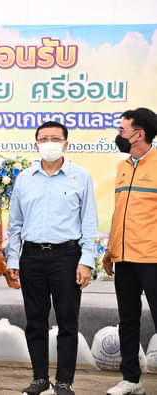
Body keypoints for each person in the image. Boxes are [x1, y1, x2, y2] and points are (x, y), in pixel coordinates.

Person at [6, 121, 98, 395]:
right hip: (32, 257)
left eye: (54, 138)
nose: (49, 143)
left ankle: (64, 382)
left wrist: (86, 261)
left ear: (65, 144)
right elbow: (15, 225)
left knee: (67, 322)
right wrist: (13, 260)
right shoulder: (24, 178)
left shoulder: (80, 177)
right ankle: (39, 379)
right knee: (35, 321)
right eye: (43, 138)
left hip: (67, 257)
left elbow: (89, 222)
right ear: (36, 143)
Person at [102, 108, 157, 395]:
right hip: (123, 259)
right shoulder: (123, 166)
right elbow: (119, 213)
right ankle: (131, 380)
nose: (119, 135)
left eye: (123, 130)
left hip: (152, 258)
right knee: (128, 319)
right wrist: (110, 251)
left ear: (139, 134)